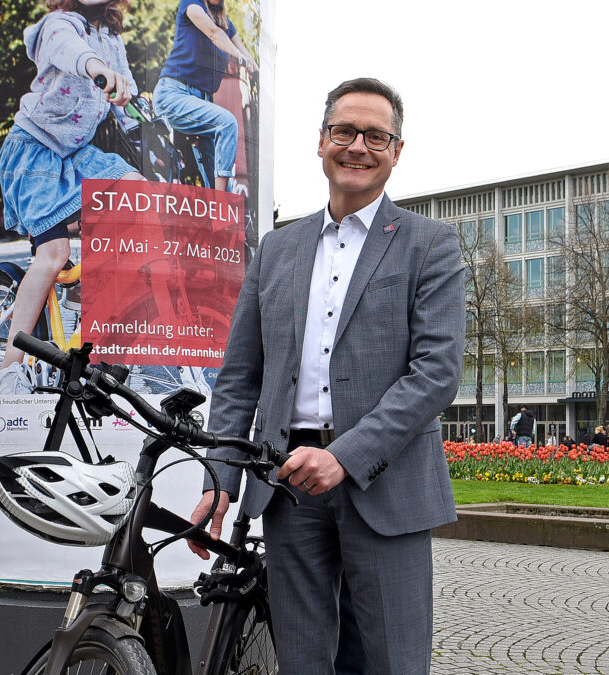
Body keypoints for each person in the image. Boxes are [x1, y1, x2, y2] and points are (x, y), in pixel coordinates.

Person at [188, 77, 465, 674]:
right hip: (286, 486)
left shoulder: (430, 244)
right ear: (321, 142)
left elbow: (436, 373)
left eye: (375, 135)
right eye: (345, 131)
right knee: (304, 663)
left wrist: (344, 456)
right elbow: (240, 377)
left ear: (396, 150)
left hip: (385, 484)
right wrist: (220, 477)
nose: (358, 146)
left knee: (395, 663)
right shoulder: (276, 250)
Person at [0, 0, 146, 393]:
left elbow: (128, 103)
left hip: (75, 154)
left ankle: (91, 315)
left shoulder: (112, 38)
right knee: (53, 253)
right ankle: (10, 368)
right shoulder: (56, 25)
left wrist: (145, 114)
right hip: (34, 150)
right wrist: (98, 69)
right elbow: (74, 53)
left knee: (134, 189)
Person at [153, 0, 257, 192]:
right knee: (227, 122)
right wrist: (238, 56)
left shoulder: (227, 24)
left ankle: (218, 211)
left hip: (201, 101)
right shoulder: (191, 4)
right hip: (173, 94)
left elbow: (246, 54)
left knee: (212, 167)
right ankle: (221, 202)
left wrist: (253, 67)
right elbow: (213, 33)